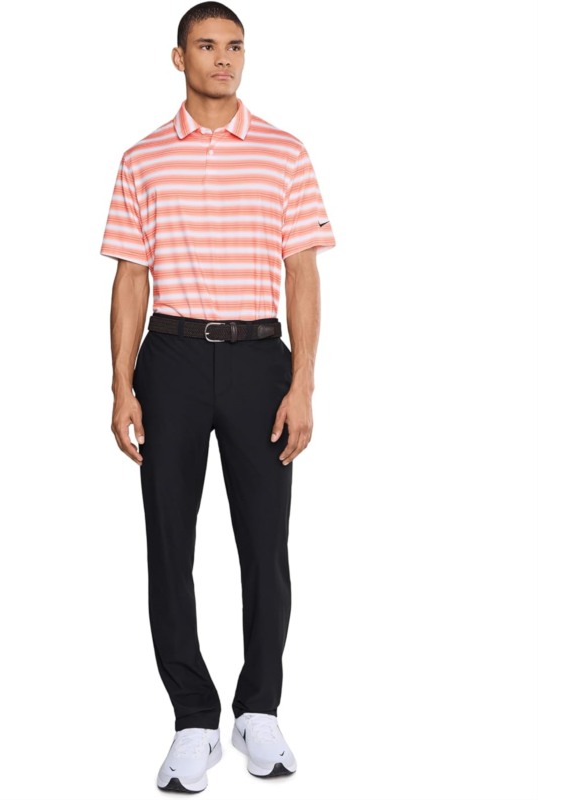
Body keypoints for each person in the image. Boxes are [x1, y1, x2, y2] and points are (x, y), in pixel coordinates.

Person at [100, 2, 336, 792]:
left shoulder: (284, 152)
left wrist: (302, 383)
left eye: (234, 45)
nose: (223, 58)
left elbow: (302, 272)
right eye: (206, 45)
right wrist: (121, 383)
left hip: (259, 358)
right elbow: (130, 276)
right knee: (169, 542)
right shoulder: (141, 158)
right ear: (179, 58)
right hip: (168, 357)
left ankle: (258, 709)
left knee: (265, 543)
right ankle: (194, 720)